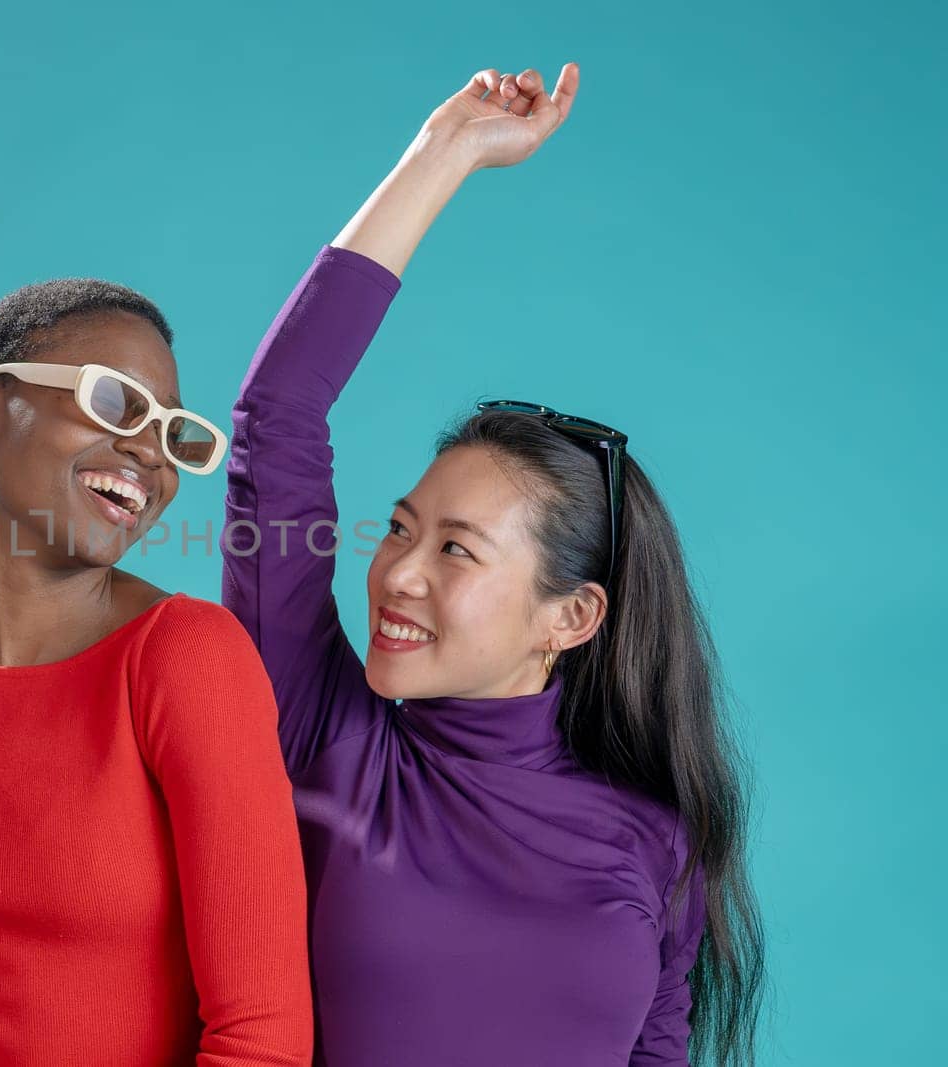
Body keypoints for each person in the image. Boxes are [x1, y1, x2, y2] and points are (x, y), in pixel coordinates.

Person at [222, 63, 764, 1065]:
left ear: (571, 616)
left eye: (455, 548)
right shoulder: (327, 741)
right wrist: (444, 153)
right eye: (400, 528)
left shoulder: (655, 836)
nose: (395, 573)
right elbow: (276, 419)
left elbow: (659, 1049)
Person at [0, 277, 313, 1066]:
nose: (150, 453)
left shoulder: (183, 658)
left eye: (170, 432)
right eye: (116, 403)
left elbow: (261, 1038)